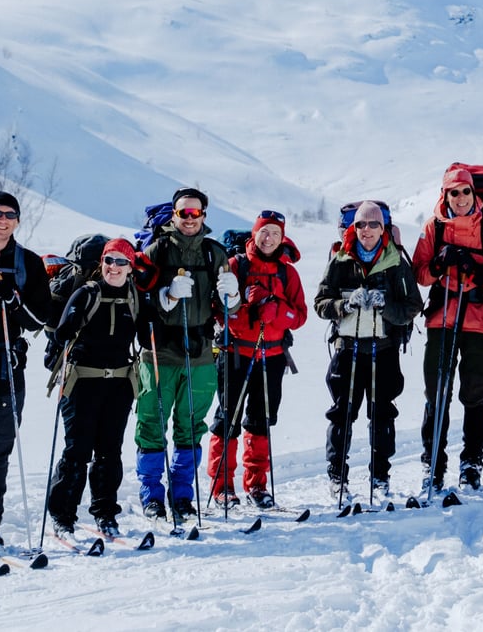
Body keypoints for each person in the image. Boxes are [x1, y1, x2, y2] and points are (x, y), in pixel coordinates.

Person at [135, 187, 240, 521]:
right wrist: (165, 297)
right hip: (159, 352)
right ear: (175, 215)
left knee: (191, 426)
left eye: (195, 213)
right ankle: (152, 496)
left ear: (204, 215)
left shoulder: (215, 254)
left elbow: (229, 309)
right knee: (151, 423)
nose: (190, 219)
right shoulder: (156, 251)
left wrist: (233, 296)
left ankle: (182, 496)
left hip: (200, 354)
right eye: (184, 213)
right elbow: (137, 297)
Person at [412, 167, 483, 492]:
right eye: (453, 192)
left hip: (479, 321)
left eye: (465, 192)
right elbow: (420, 274)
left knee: (475, 393)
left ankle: (472, 463)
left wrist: (479, 273)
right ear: (445, 195)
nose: (459, 198)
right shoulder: (434, 228)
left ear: (473, 193)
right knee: (436, 393)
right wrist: (439, 263)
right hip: (442, 319)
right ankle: (433, 465)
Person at [315, 202, 422, 499]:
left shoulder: (396, 262)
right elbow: (321, 302)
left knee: (383, 414)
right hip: (347, 349)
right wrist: (343, 306)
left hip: (383, 349)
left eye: (373, 224)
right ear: (353, 228)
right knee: (342, 415)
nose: (366, 230)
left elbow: (413, 306)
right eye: (361, 225)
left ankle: (379, 476)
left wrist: (385, 306)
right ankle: (337, 476)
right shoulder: (340, 260)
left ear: (383, 228)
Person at [207, 210, 308, 509]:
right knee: (228, 419)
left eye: (275, 234)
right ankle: (222, 486)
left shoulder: (287, 272)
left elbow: (300, 316)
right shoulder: (235, 266)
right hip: (235, 353)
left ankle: (257, 486)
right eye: (264, 232)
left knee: (261, 422)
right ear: (255, 233)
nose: (269, 238)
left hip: (272, 355)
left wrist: (274, 309)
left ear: (282, 237)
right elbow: (217, 309)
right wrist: (239, 308)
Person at [47, 238, 144, 536]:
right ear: (101, 263)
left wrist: (168, 302)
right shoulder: (86, 294)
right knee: (77, 450)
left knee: (109, 451)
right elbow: (60, 335)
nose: (113, 267)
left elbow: (156, 331)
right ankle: (63, 515)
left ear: (131, 266)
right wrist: (70, 323)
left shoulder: (135, 298)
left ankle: (105, 513)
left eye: (121, 261)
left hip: (119, 383)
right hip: (82, 381)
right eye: (109, 260)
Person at [0, 191, 51, 547]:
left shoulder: (26, 262)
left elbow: (39, 319)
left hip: (4, 365)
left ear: (17, 220)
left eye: (8, 214)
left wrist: (14, 302)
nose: (1, 220)